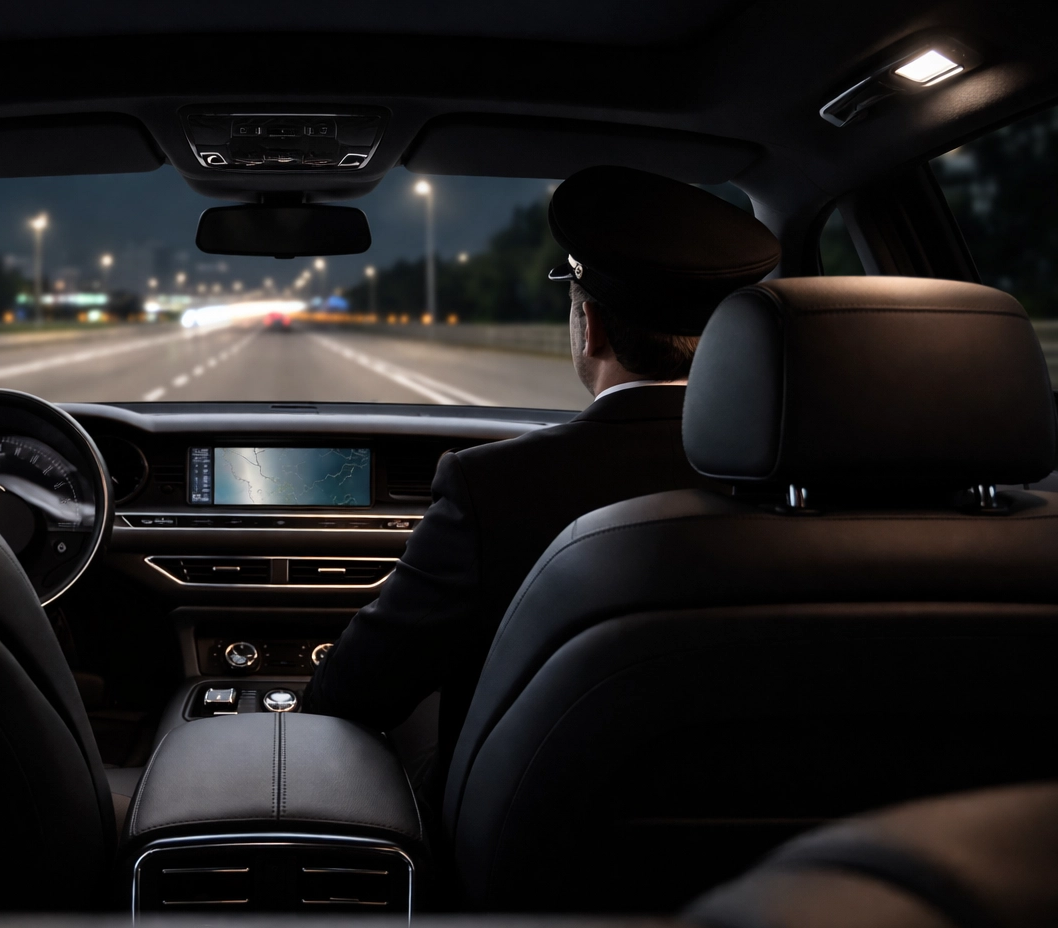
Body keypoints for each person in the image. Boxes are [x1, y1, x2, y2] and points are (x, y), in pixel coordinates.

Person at [301, 165, 782, 800]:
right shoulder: (812, 483)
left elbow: (360, 694)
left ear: (593, 327)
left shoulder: (492, 484)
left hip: (535, 840)